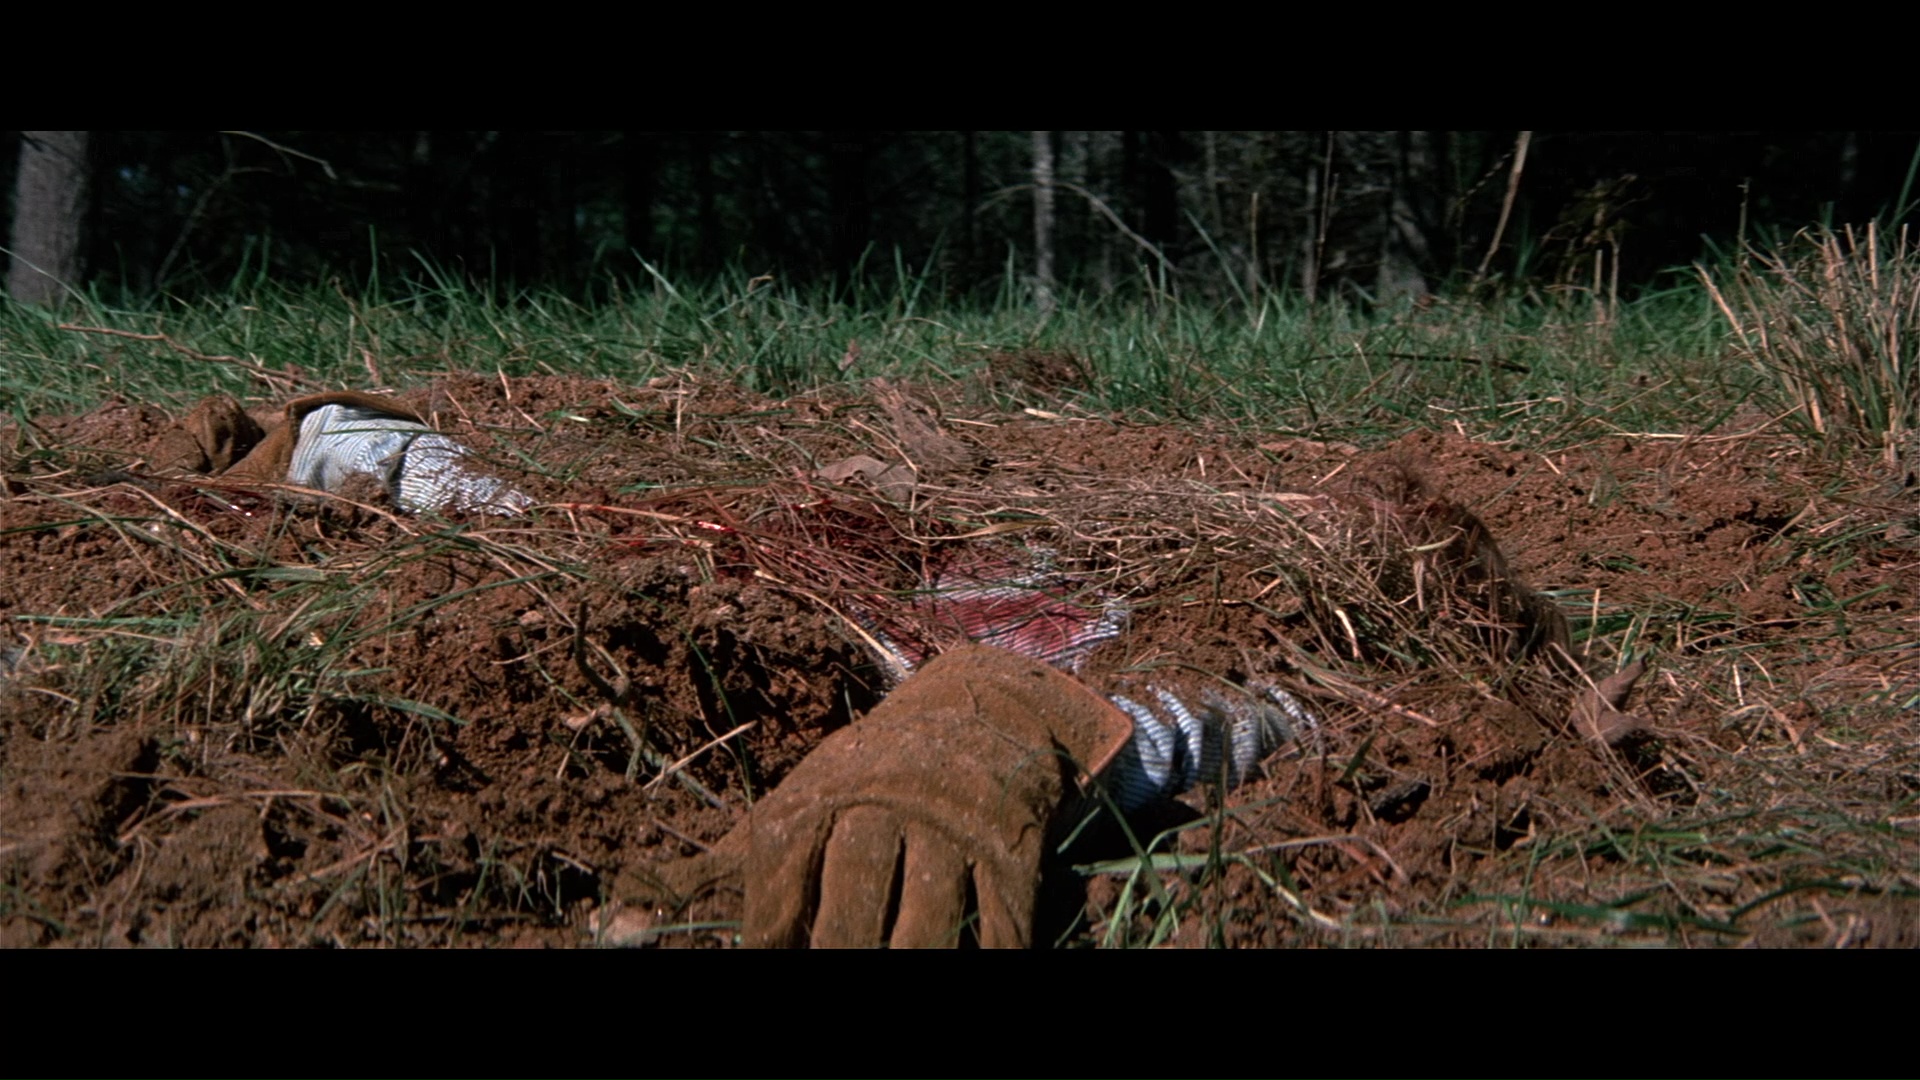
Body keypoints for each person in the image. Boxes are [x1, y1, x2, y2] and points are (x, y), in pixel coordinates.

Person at [156, 388, 1621, 948]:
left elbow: (1297, 704)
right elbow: (572, 527)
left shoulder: (1278, 593)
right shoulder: (788, 523)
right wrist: (362, 451)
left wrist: (1008, 723)